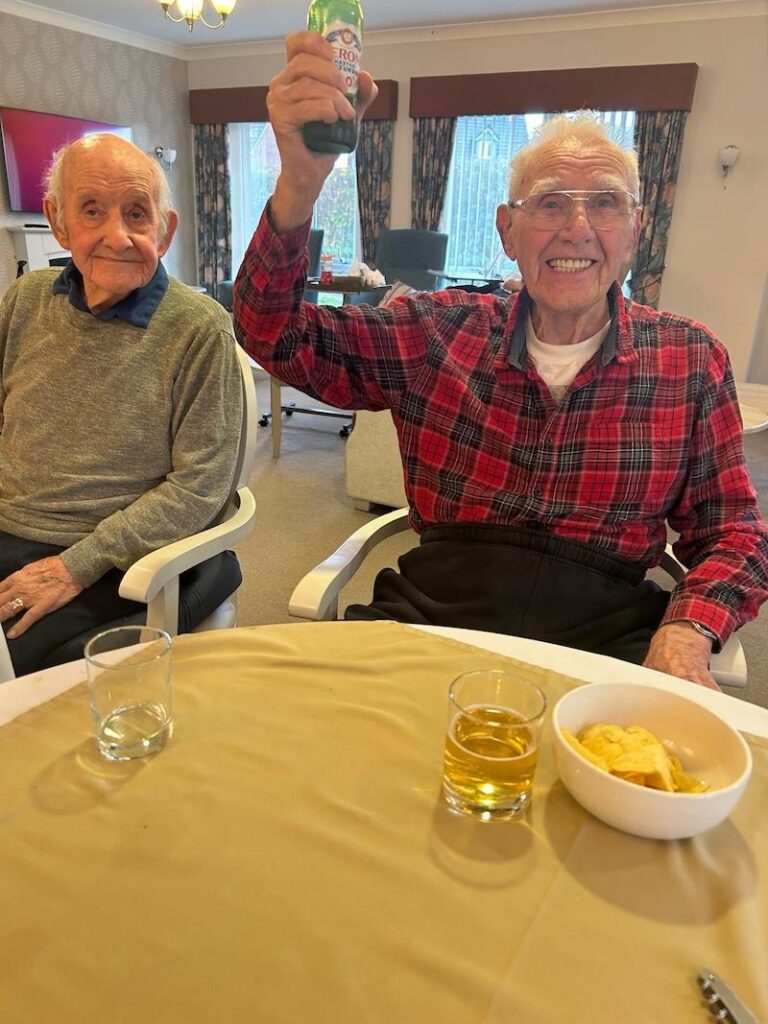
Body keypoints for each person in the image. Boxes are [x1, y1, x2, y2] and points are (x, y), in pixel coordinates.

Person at [233, 31, 768, 690]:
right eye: (548, 203)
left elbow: (733, 531)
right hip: (432, 626)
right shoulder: (436, 332)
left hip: (605, 646)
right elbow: (275, 337)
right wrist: (300, 185)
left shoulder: (689, 359)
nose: (576, 228)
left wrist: (689, 628)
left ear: (635, 230)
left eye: (604, 203)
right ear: (507, 231)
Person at [0, 134, 243, 675]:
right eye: (92, 211)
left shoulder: (198, 329)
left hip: (115, 557)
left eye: (137, 214)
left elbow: (201, 486)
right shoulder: (24, 300)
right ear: (58, 222)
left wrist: (74, 566)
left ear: (165, 227)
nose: (119, 236)